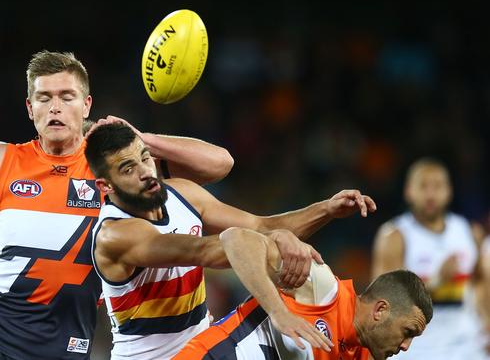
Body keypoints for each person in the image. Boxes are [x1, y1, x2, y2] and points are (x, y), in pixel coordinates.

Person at [0, 37, 237, 359]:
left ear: (86, 105)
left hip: (61, 348)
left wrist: (141, 138)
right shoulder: (0, 161)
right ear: (30, 108)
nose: (55, 107)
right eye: (44, 98)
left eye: (67, 96)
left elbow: (219, 164)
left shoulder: (117, 166)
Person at [84, 123, 377, 358]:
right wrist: (279, 307)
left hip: (204, 345)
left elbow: (260, 224)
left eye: (145, 158)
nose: (145, 172)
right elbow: (213, 250)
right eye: (127, 169)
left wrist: (326, 209)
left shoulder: (183, 194)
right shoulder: (117, 234)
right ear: (105, 186)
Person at [175, 227, 433, 360]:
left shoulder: (364, 355)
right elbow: (236, 239)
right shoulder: (323, 288)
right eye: (408, 332)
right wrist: (279, 313)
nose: (405, 346)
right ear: (380, 310)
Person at [371, 158, 489, 359]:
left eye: (437, 186)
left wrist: (487, 323)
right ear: (409, 191)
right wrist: (436, 281)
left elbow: (480, 282)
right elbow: (382, 297)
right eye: (423, 186)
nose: (431, 194)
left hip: (466, 344)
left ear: (449, 191)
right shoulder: (395, 236)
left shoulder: (469, 232)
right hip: (416, 346)